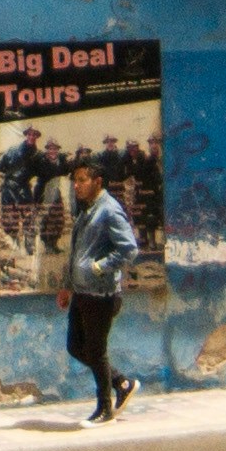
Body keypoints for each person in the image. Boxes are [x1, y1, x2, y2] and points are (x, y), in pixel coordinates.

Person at [65, 160, 139, 422]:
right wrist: (67, 285)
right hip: (81, 292)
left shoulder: (109, 210)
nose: (76, 185)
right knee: (75, 346)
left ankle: (105, 408)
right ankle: (121, 382)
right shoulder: (87, 211)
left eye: (82, 180)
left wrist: (99, 268)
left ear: (97, 182)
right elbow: (76, 251)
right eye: (75, 180)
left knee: (96, 351)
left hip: (102, 295)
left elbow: (129, 248)